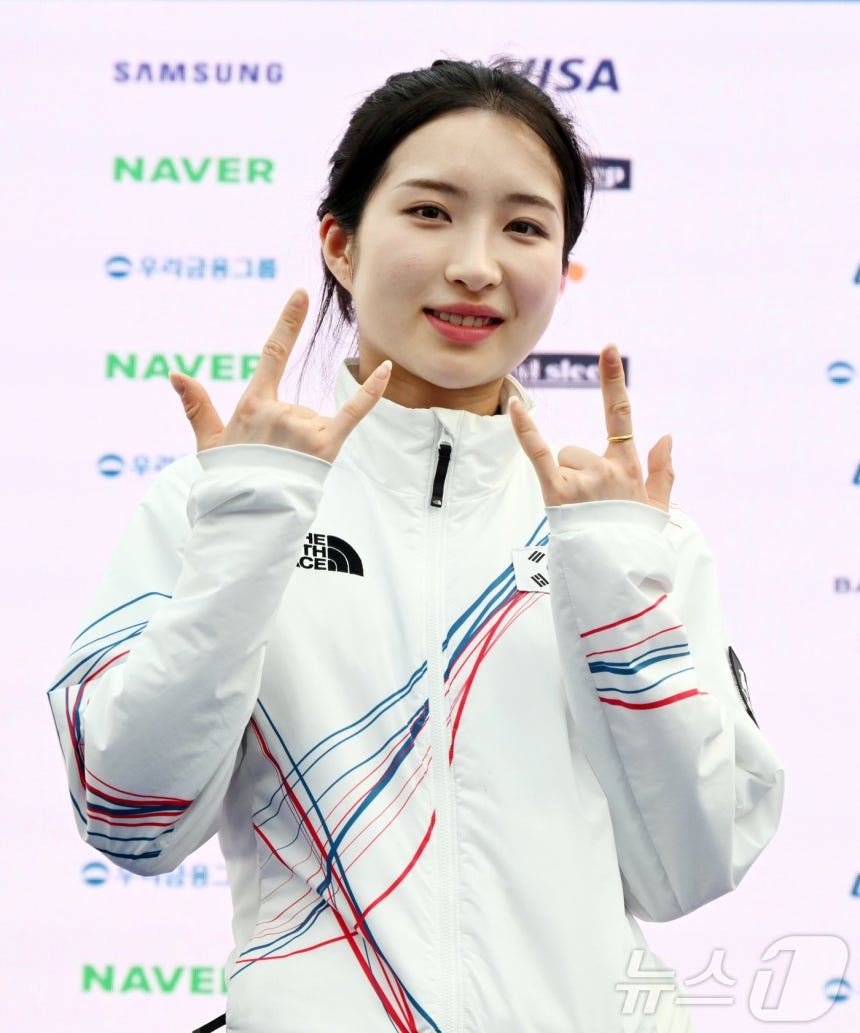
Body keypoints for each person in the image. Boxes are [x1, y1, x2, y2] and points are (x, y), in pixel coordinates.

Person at [48, 59, 783, 1033]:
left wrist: (614, 583)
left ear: (562, 264)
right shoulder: (219, 505)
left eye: (524, 226)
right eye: (430, 212)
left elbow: (689, 868)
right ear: (341, 244)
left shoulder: (630, 535)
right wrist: (250, 534)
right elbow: (128, 815)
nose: (476, 265)